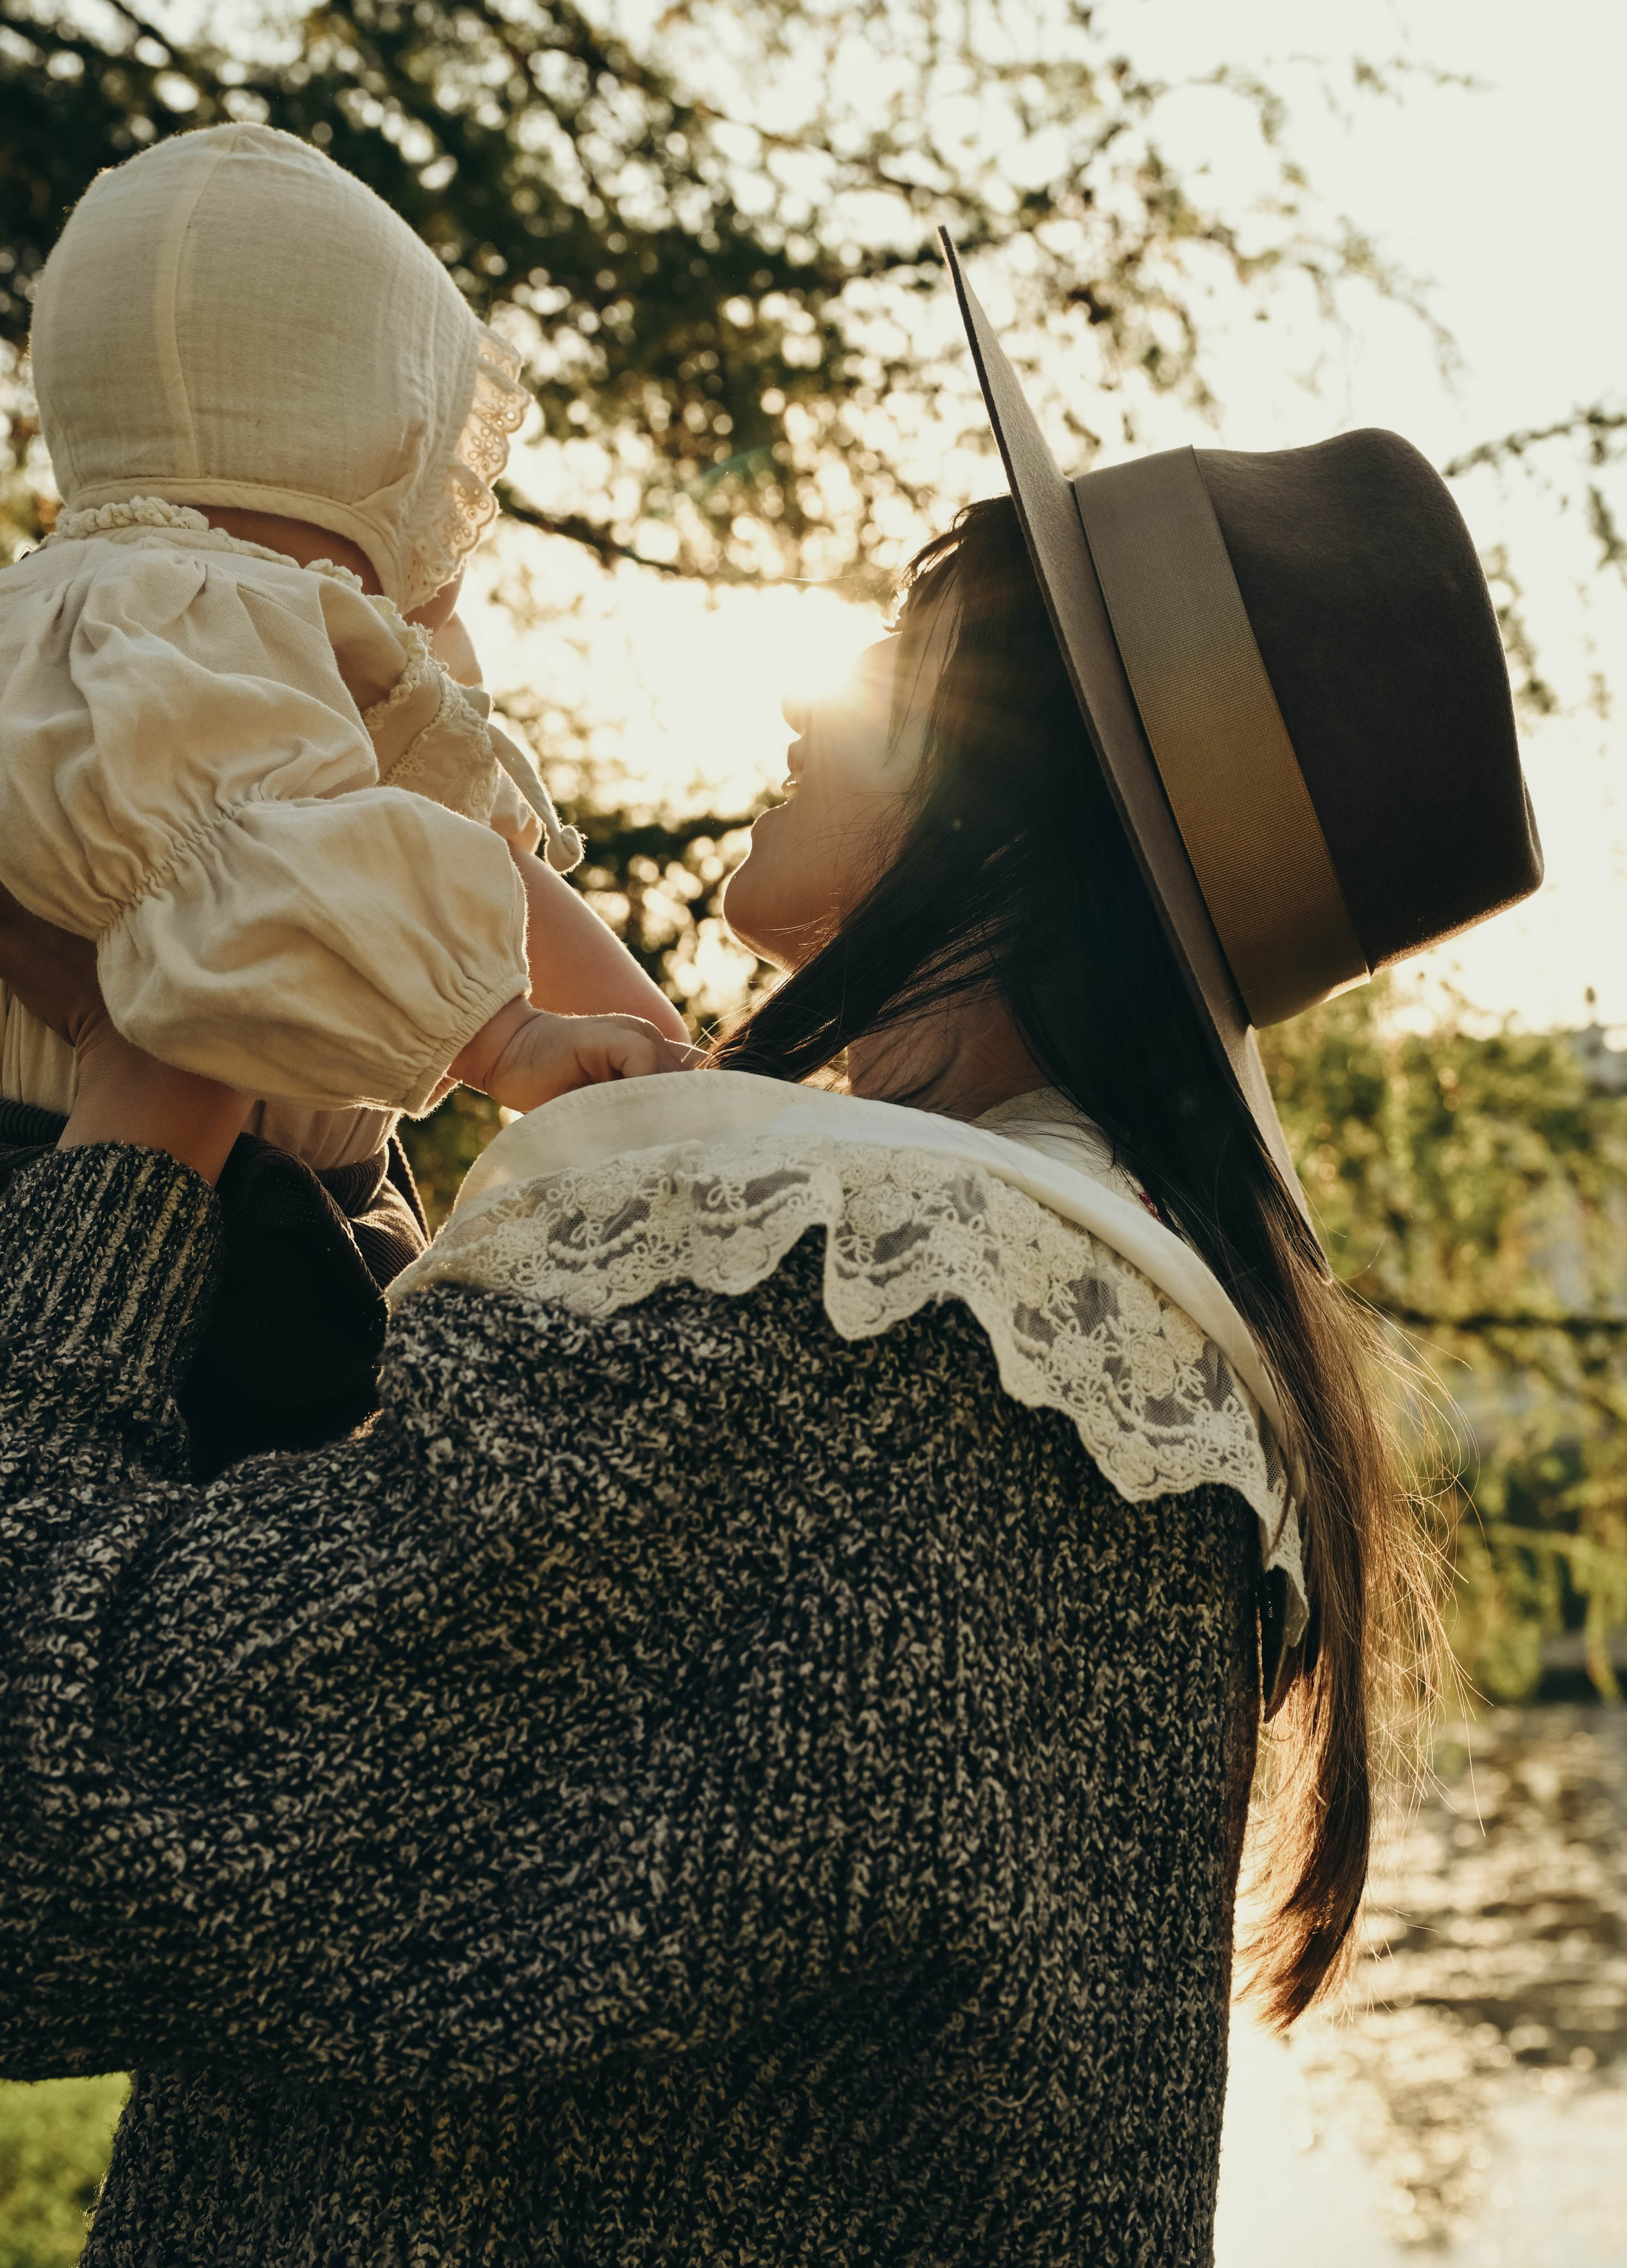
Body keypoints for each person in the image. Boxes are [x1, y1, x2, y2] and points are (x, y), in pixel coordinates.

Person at [0, 251, 1543, 2263]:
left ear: (1000, 804)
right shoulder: (1016, 1371)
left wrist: (164, 1070)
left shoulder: (868, 1357)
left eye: (903, 653)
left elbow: (51, 1822)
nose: (816, 694)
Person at [0, 124, 684, 1466]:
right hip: (108, 1220)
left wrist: (649, 1056)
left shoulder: (271, 629)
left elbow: (474, 857)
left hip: (273, 1220)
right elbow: (230, 891)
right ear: (372, 424)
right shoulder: (162, 621)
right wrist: (509, 1044)